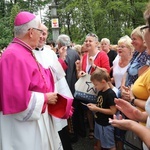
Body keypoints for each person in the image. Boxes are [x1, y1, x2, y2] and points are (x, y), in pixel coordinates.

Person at [0, 11, 63, 150]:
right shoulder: (14, 55)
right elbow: (15, 97)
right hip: (23, 129)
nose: (42, 35)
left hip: (34, 120)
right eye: (40, 31)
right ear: (30, 32)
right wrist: (45, 98)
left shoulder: (24, 51)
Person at [109, 3, 150, 150]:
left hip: (135, 99)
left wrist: (131, 97)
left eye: (135, 39)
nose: (133, 42)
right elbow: (127, 72)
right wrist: (124, 87)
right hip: (131, 100)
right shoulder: (137, 55)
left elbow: (141, 82)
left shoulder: (145, 57)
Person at [33, 24, 73, 150]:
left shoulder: (50, 52)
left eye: (44, 34)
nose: (42, 37)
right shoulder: (29, 53)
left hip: (55, 95)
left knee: (60, 130)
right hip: (41, 101)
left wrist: (61, 59)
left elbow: (58, 74)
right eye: (40, 33)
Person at [79, 33, 110, 139]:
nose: (87, 43)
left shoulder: (102, 55)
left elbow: (107, 72)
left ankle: (100, 131)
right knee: (88, 108)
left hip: (100, 88)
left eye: (90, 41)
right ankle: (92, 128)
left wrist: (94, 66)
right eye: (86, 41)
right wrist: (81, 73)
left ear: (96, 43)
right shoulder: (84, 56)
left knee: (99, 108)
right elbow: (82, 71)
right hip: (87, 87)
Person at [56, 34, 82, 142]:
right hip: (75, 86)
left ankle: (72, 135)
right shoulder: (75, 53)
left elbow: (62, 73)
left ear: (60, 44)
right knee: (76, 112)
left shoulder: (64, 55)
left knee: (69, 115)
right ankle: (80, 132)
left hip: (66, 87)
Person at [87, 68, 117, 150]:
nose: (95, 87)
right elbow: (101, 104)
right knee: (99, 139)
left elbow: (113, 111)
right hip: (99, 122)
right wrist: (95, 106)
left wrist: (97, 108)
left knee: (110, 145)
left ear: (103, 82)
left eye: (96, 84)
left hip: (106, 124)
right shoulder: (101, 91)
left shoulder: (110, 94)